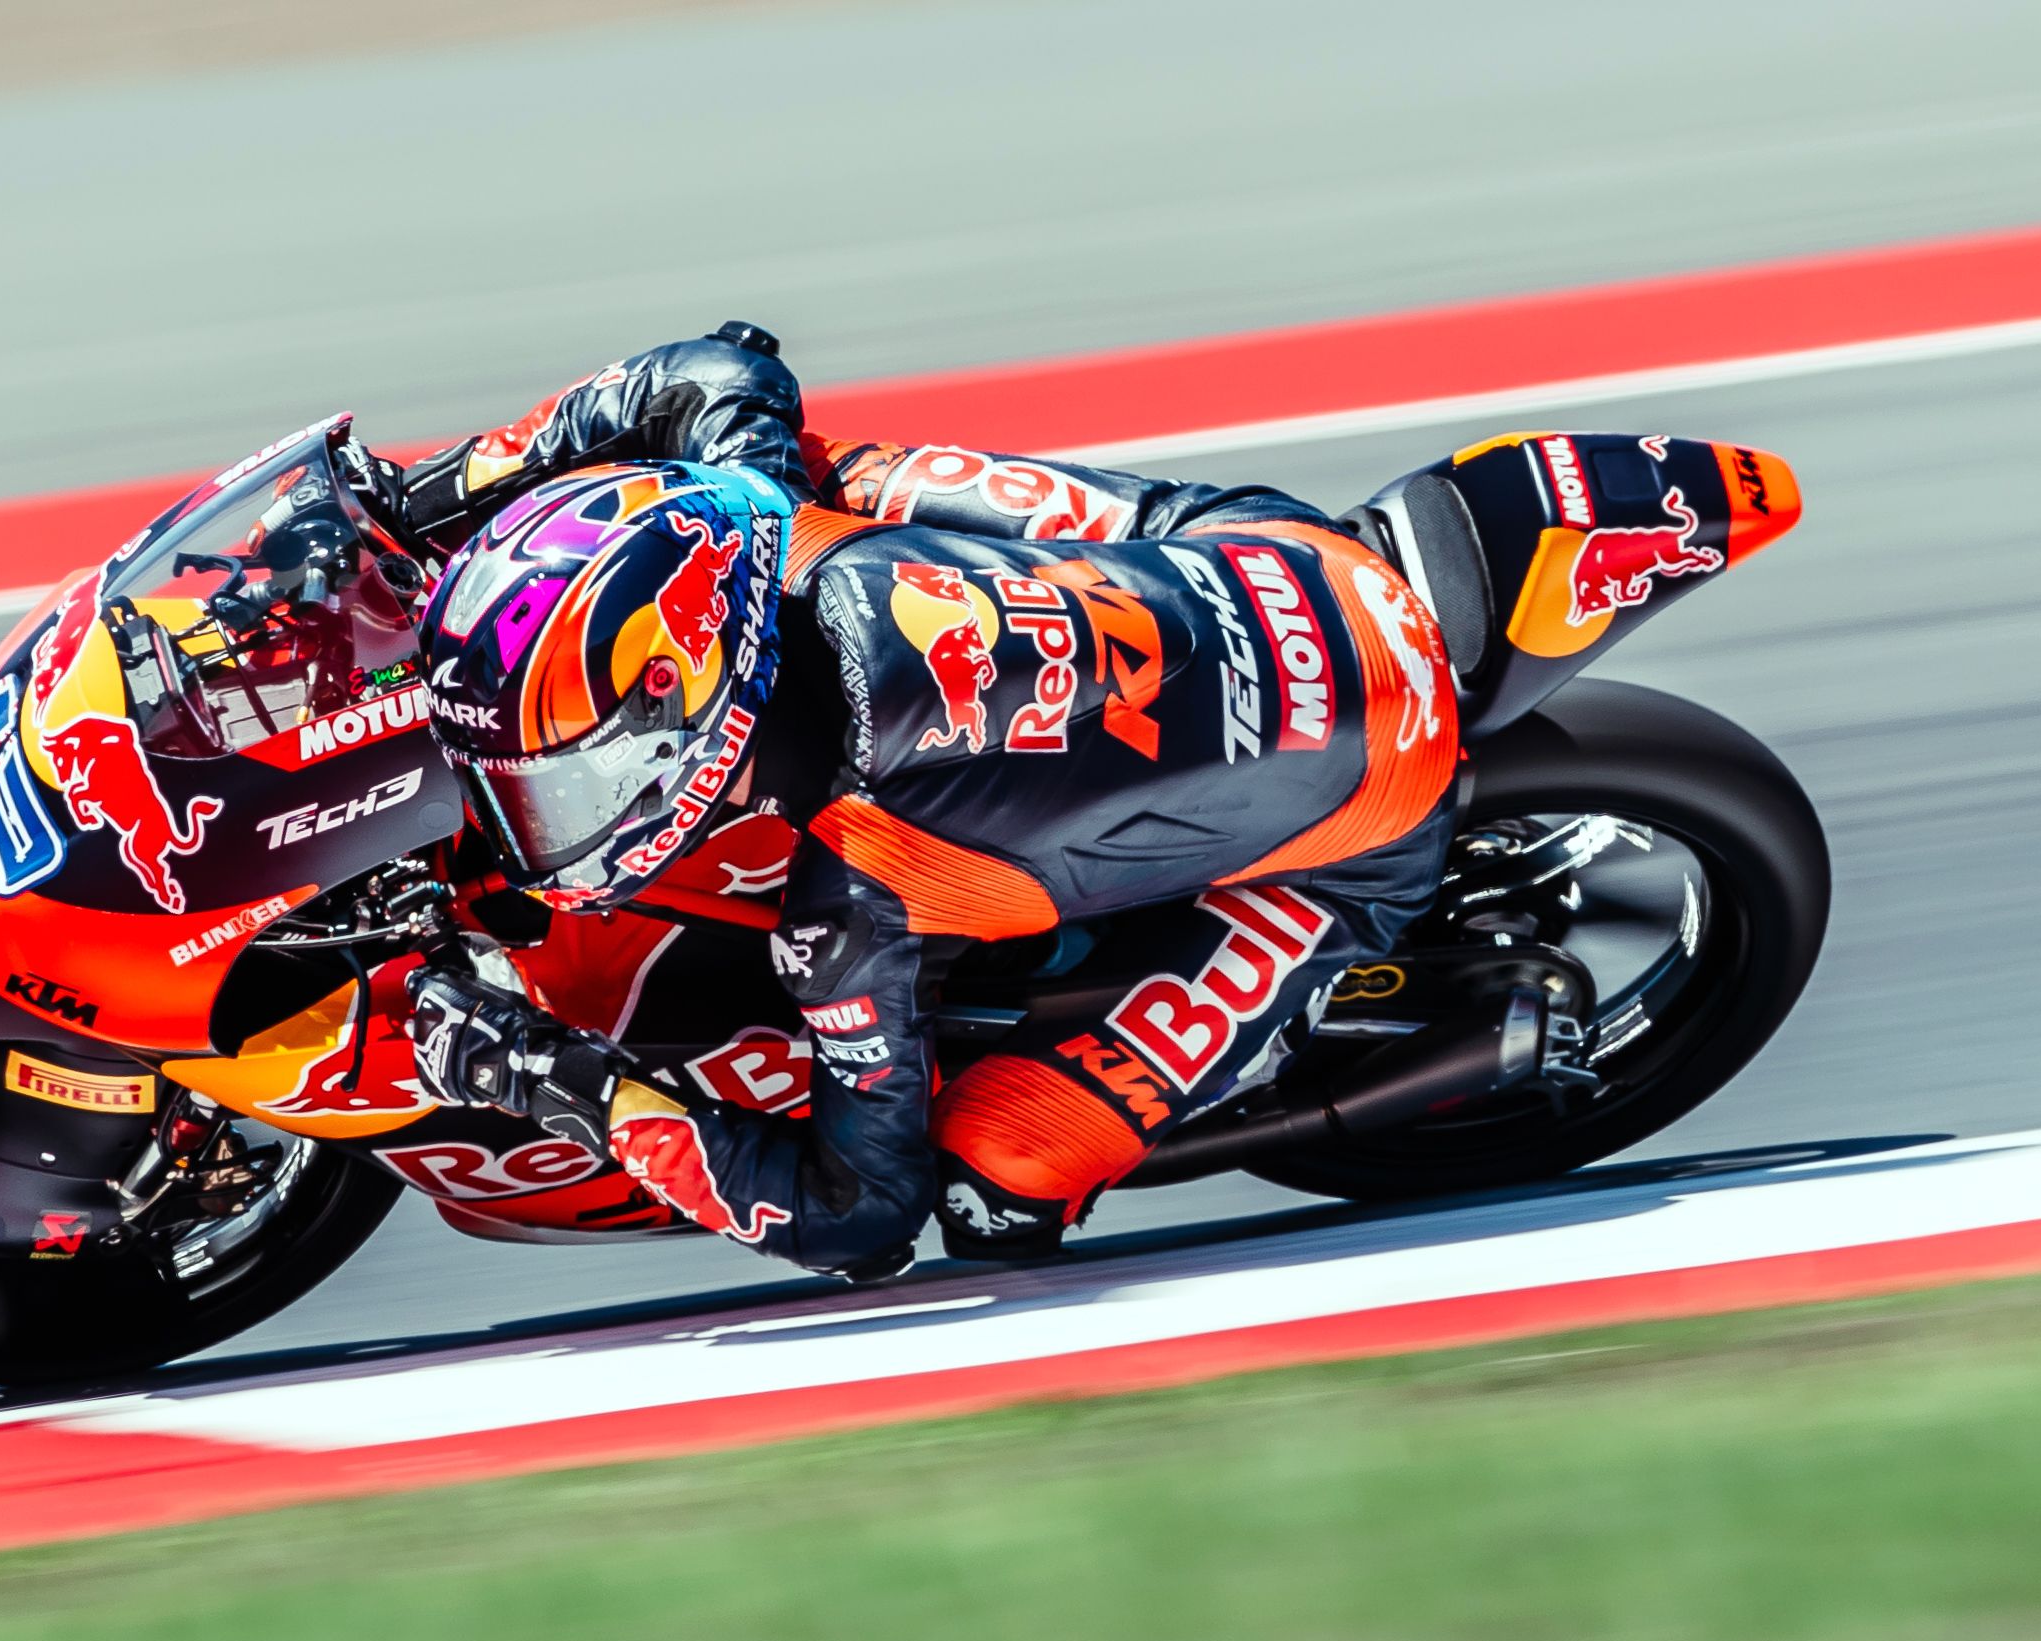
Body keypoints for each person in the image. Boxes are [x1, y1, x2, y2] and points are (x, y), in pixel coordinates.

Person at [379, 321, 1462, 1279]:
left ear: (679, 715)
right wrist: (414, 502)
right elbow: (718, 370)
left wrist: (551, 1077)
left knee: (994, 1188)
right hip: (1277, 550)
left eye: (556, 783)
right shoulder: (774, 515)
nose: (535, 816)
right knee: (833, 475)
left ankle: (1302, 999)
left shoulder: (852, 899)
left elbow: (858, 1216)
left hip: (1377, 797)